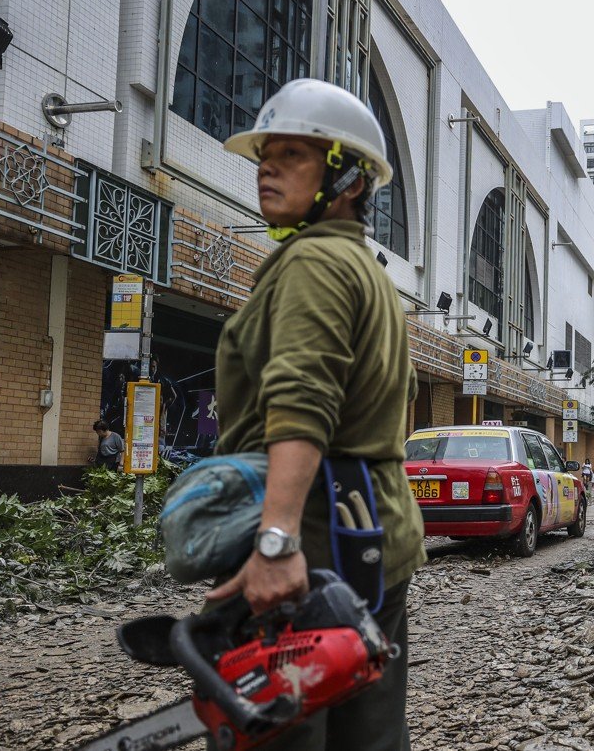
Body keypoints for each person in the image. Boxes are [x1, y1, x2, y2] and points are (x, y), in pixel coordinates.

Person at [205, 79, 426, 751]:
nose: (268, 168)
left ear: (351, 180)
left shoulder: (314, 265)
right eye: (265, 155)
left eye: (294, 155)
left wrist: (276, 542)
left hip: (311, 544)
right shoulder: (367, 273)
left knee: (279, 735)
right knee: (369, 738)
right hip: (373, 535)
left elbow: (302, 405)